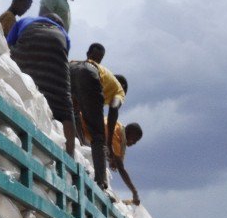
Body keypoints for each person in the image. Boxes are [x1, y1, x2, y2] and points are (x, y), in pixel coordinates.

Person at [8, 12, 76, 155]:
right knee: (66, 107)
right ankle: (70, 155)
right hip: (56, 54)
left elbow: (7, 44)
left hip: (28, 44)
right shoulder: (63, 33)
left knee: (15, 75)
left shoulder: (26, 20)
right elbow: (62, 57)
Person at [69, 55, 125, 187]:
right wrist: (109, 142)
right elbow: (113, 110)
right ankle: (101, 181)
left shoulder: (108, 79)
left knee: (73, 114)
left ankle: (73, 155)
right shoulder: (119, 91)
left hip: (70, 67)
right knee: (98, 136)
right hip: (89, 72)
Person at [106, 121, 142, 204]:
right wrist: (134, 192)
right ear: (128, 133)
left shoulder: (120, 137)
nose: (134, 143)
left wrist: (112, 159)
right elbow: (121, 169)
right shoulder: (116, 134)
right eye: (134, 139)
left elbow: (118, 159)